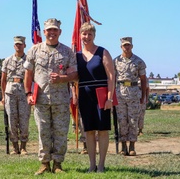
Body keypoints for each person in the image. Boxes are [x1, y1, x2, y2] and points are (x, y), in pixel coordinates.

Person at [24, 18, 78, 175]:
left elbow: (75, 74)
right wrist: (28, 93)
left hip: (61, 99)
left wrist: (63, 79)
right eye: (49, 30)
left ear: (60, 32)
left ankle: (58, 164)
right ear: (45, 32)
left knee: (61, 132)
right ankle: (44, 163)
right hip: (40, 99)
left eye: (55, 30)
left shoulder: (68, 52)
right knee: (43, 131)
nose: (52, 33)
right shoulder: (34, 50)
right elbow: (28, 73)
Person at [72, 24, 116, 172]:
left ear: (94, 35)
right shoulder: (76, 56)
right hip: (84, 94)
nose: (87, 37)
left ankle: (101, 164)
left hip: (102, 94)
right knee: (89, 131)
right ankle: (92, 164)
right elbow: (74, 78)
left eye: (90, 34)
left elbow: (111, 76)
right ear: (80, 35)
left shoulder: (103, 52)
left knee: (102, 130)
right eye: (84, 34)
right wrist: (75, 95)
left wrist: (109, 97)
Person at [1, 35, 31, 155]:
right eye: (16, 44)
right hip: (10, 92)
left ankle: (23, 146)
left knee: (24, 119)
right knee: (12, 120)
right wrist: (3, 96)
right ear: (14, 46)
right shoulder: (7, 60)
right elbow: (3, 80)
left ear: (24, 45)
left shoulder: (29, 60)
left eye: (20, 44)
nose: (18, 46)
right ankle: (14, 147)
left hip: (24, 92)